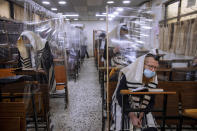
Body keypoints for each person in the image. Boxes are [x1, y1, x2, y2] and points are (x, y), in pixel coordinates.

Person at [111, 53, 160, 130]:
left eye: (155, 67)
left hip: (142, 107)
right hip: (124, 105)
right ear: (141, 65)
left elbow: (151, 101)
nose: (153, 70)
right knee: (124, 126)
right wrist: (132, 115)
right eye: (150, 66)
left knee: (150, 127)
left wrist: (143, 113)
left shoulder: (153, 79)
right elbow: (120, 97)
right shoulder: (129, 74)